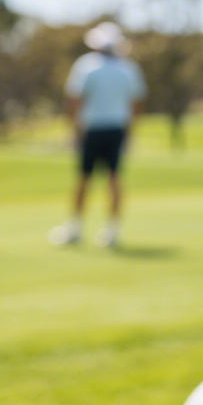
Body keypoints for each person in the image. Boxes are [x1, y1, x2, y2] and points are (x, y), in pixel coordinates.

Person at [50, 22, 145, 247]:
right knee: (113, 178)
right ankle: (112, 232)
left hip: (91, 129)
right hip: (117, 129)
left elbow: (74, 101)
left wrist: (73, 130)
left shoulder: (86, 66)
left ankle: (75, 228)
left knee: (85, 178)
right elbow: (137, 103)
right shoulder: (128, 68)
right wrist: (130, 132)